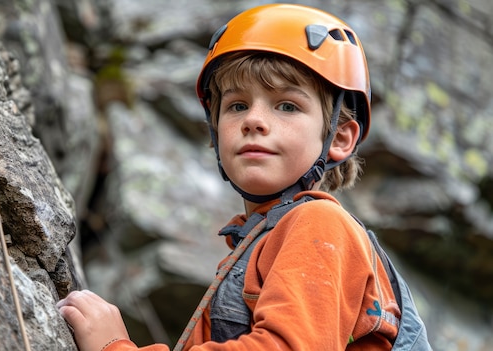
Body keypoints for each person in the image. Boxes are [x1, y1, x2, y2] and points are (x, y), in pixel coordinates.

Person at [57, 3, 402, 350]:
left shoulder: (319, 224)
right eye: (237, 106)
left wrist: (114, 346)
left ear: (340, 137)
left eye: (287, 105)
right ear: (215, 131)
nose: (254, 120)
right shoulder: (260, 239)